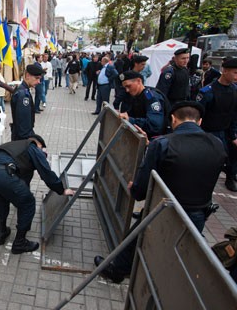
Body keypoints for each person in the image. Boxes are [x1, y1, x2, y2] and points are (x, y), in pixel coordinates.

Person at [94, 101, 227, 283]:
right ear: (200, 121)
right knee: (180, 252)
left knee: (133, 240)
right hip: (197, 214)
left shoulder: (163, 144)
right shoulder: (218, 144)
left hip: (163, 210)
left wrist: (134, 187)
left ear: (172, 119)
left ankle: (117, 271)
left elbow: (140, 190)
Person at [0, 135, 75, 253]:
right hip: (2, 173)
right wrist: (62, 190)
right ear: (37, 143)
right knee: (28, 202)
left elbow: (22, 179)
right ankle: (19, 243)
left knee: (3, 196)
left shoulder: (14, 146)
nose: (43, 151)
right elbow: (46, 172)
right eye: (42, 148)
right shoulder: (32, 147)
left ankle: (2, 232)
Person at [196, 58, 237, 192]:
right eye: (235, 73)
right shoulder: (207, 92)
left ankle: (230, 177)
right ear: (224, 71)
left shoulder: (235, 90)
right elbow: (198, 116)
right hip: (209, 132)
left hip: (227, 131)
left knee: (231, 158)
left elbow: (234, 114)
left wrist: (234, 135)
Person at [118, 71, 168, 138]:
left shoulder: (150, 96)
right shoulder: (138, 95)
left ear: (139, 81)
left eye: (129, 86)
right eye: (125, 87)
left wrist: (130, 120)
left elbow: (155, 126)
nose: (127, 90)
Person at [10, 65, 46, 141]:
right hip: (22, 139)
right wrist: (29, 141)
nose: (38, 82)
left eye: (40, 79)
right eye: (37, 78)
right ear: (27, 76)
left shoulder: (23, 90)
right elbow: (24, 124)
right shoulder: (23, 95)